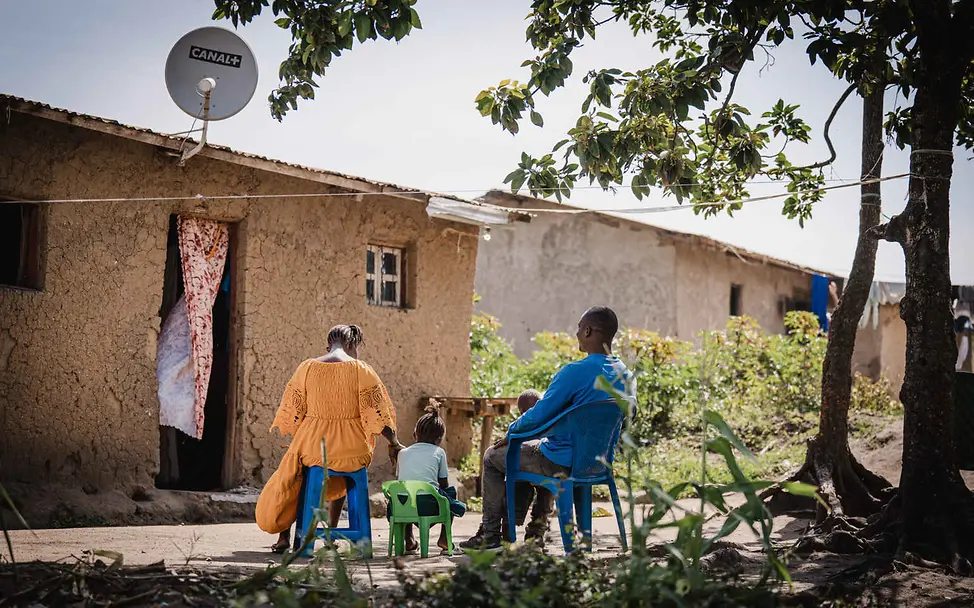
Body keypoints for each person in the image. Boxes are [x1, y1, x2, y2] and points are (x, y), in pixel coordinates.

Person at [460, 307, 635, 551]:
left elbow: (538, 416)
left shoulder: (574, 372)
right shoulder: (626, 376)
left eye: (578, 328)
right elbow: (626, 420)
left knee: (493, 457)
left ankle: (490, 535)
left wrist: (511, 433)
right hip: (598, 463)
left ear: (587, 331)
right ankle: (536, 531)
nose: (576, 333)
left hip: (560, 462)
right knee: (539, 449)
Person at [256, 324, 404, 553]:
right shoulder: (362, 370)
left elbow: (294, 410)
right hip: (353, 450)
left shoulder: (307, 367)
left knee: (293, 472)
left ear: (328, 345)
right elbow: (380, 416)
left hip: (314, 447)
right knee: (346, 473)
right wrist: (394, 442)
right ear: (352, 345)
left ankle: (284, 537)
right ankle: (329, 536)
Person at [392, 404, 466, 553]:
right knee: (450, 493)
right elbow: (444, 484)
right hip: (428, 506)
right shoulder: (439, 452)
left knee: (404, 494)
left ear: (415, 435)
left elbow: (400, 480)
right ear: (440, 439)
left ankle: (409, 541)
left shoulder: (402, 453)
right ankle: (445, 539)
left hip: (402, 508)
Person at [502, 389, 554, 544]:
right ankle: (536, 533)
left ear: (521, 411)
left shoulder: (518, 425)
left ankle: (509, 527)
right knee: (545, 495)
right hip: (545, 470)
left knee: (513, 491)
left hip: (523, 472)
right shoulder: (549, 421)